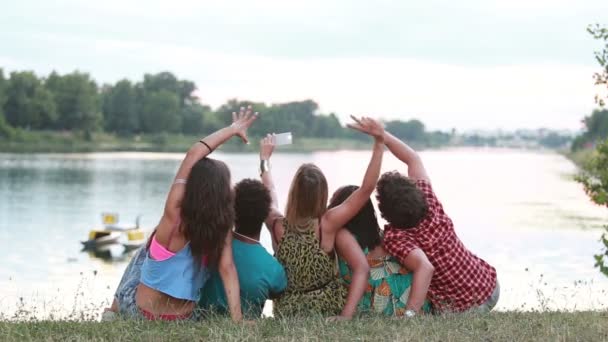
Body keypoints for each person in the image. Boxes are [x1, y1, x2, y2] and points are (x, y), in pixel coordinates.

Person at [106, 106, 258, 321]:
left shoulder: (174, 213)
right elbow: (228, 269)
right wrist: (238, 320)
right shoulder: (222, 228)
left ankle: (112, 312)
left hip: (140, 313)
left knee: (143, 251)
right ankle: (114, 312)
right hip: (182, 319)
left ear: (194, 186)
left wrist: (232, 129)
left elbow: (194, 153)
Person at [260, 116, 385, 320]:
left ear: (293, 192)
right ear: (322, 195)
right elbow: (366, 189)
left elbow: (270, 189)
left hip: (288, 310)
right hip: (327, 306)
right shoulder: (327, 224)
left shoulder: (275, 224)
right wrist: (379, 144)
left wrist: (264, 159)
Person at [376, 129, 499, 315]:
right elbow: (413, 158)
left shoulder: (396, 237)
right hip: (490, 288)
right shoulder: (429, 200)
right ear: (414, 190)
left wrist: (410, 315)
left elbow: (425, 268)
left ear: (385, 211)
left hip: (463, 310)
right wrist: (383, 135)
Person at [329, 185, 432, 317]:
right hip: (415, 301)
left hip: (382, 303)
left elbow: (361, 271)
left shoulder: (342, 235)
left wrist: (345, 316)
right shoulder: (388, 234)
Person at [198, 178, 287, 319]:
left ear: (232, 213)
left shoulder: (212, 246)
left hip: (202, 320)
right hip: (246, 328)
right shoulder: (273, 268)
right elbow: (279, 292)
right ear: (265, 216)